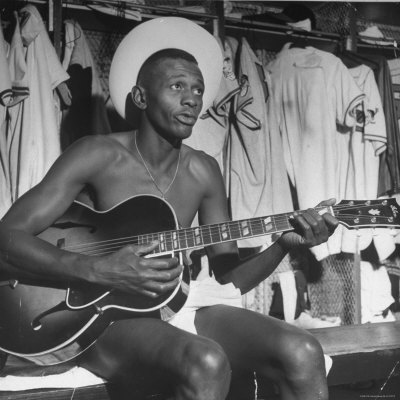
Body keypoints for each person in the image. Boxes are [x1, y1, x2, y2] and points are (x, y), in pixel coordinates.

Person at [0, 17, 339, 400]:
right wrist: (96, 269)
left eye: (197, 89)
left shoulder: (204, 170)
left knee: (303, 350)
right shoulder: (97, 153)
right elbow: (6, 238)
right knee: (206, 362)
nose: (192, 98)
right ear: (142, 97)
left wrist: (283, 245)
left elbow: (230, 280)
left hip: (175, 305)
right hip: (98, 317)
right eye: (178, 86)